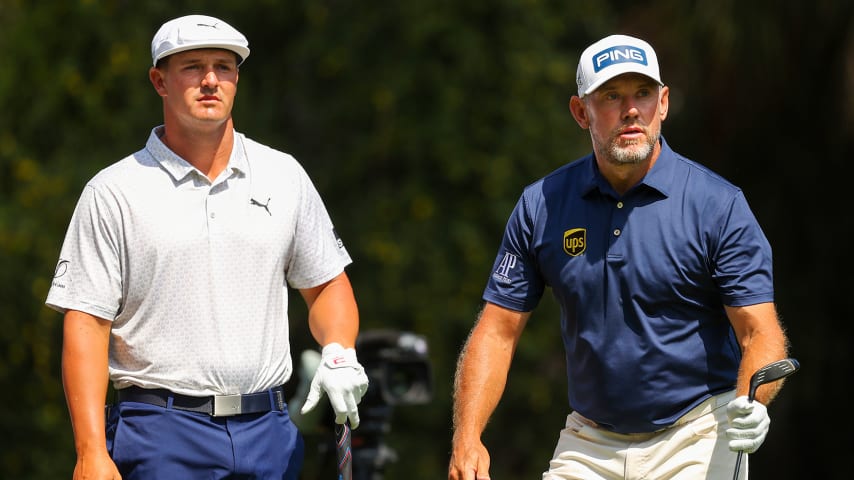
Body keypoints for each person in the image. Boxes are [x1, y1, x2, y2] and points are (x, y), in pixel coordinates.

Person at [448, 34, 791, 480]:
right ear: (580, 111)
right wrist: (467, 436)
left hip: (698, 432)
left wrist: (752, 400)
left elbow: (758, 331)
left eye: (644, 93)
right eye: (612, 96)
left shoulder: (717, 205)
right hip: (589, 440)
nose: (631, 109)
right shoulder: (542, 206)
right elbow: (497, 331)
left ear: (663, 103)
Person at [45, 14, 368, 480]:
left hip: (269, 432)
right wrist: (90, 451)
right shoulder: (113, 191)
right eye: (192, 67)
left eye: (225, 66)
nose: (211, 80)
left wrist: (339, 350)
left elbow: (327, 286)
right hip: (161, 432)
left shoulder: (284, 175)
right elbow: (87, 325)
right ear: (160, 80)